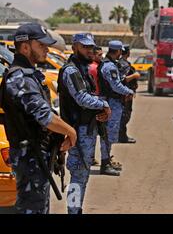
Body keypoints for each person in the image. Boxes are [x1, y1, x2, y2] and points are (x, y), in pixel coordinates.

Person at [0, 22, 77, 214]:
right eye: (41, 45)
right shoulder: (19, 78)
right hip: (30, 158)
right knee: (32, 208)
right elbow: (45, 116)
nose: (46, 49)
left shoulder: (29, 75)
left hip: (36, 157)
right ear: (25, 47)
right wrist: (70, 132)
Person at [57, 33, 112, 214]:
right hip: (78, 130)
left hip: (85, 129)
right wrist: (103, 105)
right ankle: (73, 210)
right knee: (78, 175)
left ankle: (76, 208)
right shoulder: (71, 70)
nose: (89, 51)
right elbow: (81, 98)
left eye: (91, 47)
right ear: (74, 48)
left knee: (82, 174)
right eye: (85, 47)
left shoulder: (82, 68)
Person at [98, 41, 134, 174]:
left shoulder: (109, 64)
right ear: (118, 51)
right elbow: (116, 86)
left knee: (109, 135)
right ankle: (105, 164)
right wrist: (128, 92)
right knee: (107, 135)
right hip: (111, 103)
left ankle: (107, 160)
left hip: (111, 102)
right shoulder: (110, 67)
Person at [117, 44, 140, 144]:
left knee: (124, 115)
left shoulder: (122, 63)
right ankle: (121, 137)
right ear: (128, 53)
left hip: (126, 93)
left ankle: (121, 136)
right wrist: (135, 75)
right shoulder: (124, 64)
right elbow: (123, 79)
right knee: (125, 116)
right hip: (126, 94)